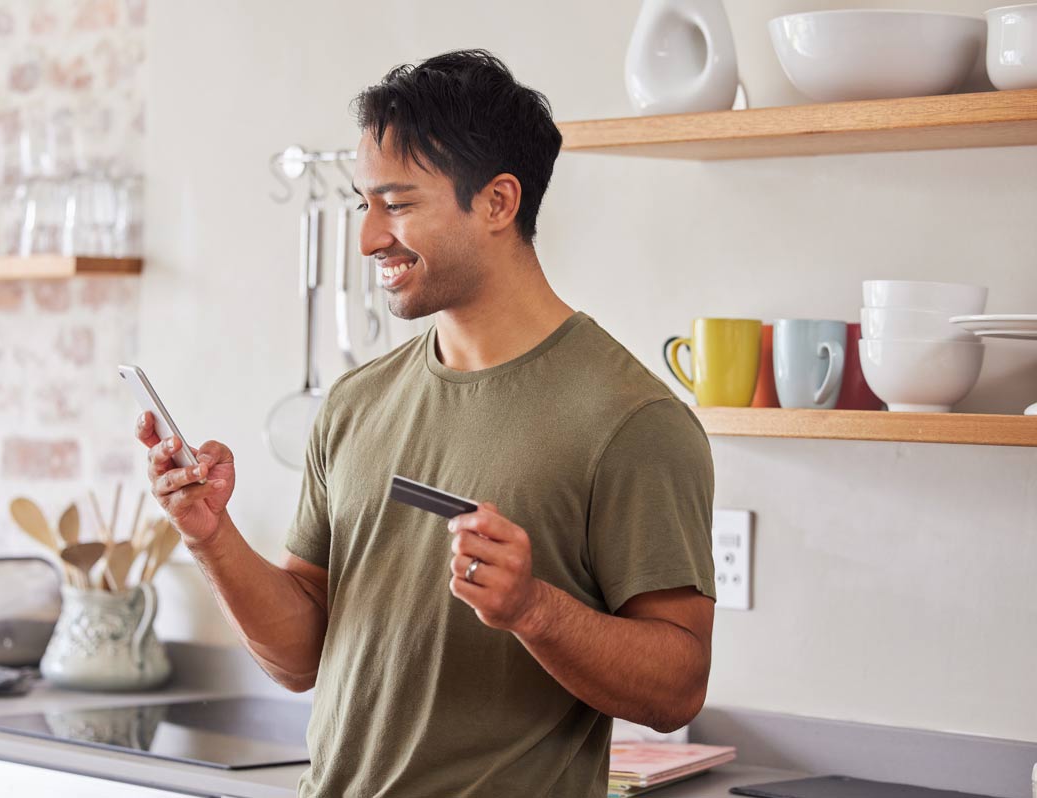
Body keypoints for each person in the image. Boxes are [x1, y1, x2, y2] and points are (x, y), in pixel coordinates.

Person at [137, 49, 716, 798]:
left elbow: (677, 690)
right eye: (363, 205)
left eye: (399, 204)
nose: (370, 238)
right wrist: (210, 536)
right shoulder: (354, 404)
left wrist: (533, 608)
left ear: (499, 203)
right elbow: (301, 658)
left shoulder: (632, 419)